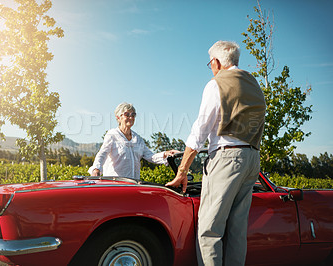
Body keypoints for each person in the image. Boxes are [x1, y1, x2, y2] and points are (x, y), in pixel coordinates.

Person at [166, 40, 266, 266]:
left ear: (216, 62)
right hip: (252, 159)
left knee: (210, 229)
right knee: (236, 230)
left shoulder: (217, 84)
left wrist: (182, 169)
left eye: (210, 64)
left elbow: (200, 131)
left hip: (227, 159)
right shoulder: (253, 84)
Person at [89, 102, 179, 179]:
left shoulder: (138, 139)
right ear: (118, 117)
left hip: (133, 185)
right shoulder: (112, 135)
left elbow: (150, 156)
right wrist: (96, 169)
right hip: (115, 184)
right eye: (127, 114)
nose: (131, 117)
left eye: (133, 115)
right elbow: (102, 154)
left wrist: (166, 154)